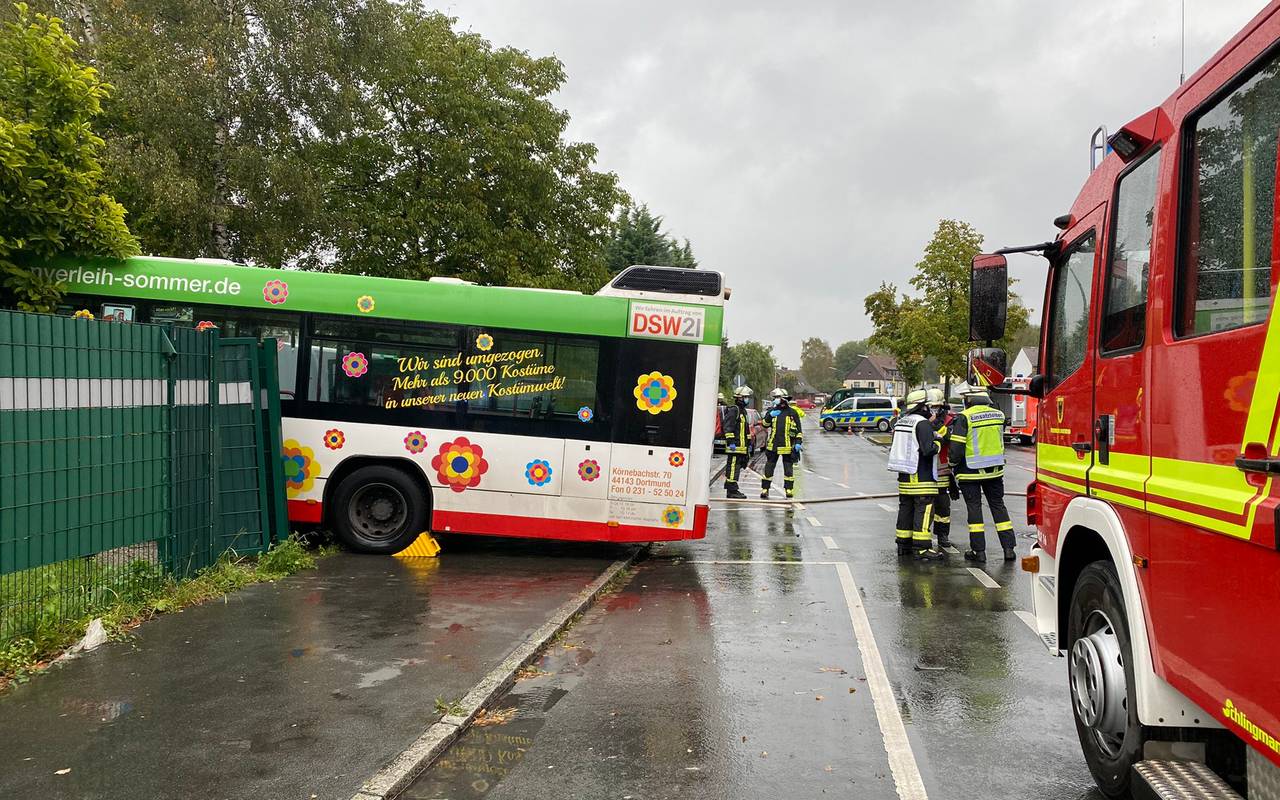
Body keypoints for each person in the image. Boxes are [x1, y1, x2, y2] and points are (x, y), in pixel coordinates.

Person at [949, 388, 1015, 562]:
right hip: (995, 471)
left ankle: (979, 552)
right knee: (998, 507)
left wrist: (951, 464)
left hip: (970, 472)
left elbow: (956, 449)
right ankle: (1009, 550)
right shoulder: (999, 415)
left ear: (969, 401)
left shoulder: (965, 417)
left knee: (975, 510)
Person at [887, 389, 944, 559]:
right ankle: (922, 548)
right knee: (924, 510)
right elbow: (928, 450)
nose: (929, 409)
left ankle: (903, 545)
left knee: (906, 509)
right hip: (921, 477)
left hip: (904, 476)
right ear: (922, 406)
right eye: (927, 406)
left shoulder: (902, 422)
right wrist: (938, 443)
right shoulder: (922, 423)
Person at [926, 388, 956, 549]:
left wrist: (938, 427)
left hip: (942, 469)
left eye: (936, 407)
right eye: (931, 407)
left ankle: (942, 535)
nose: (933, 410)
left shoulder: (950, 420)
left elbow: (949, 440)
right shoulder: (920, 419)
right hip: (925, 470)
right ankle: (923, 537)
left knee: (943, 506)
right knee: (924, 506)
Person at [761, 387, 802, 499]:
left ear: (782, 399)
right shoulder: (772, 411)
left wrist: (798, 443)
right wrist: (770, 416)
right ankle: (765, 489)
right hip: (773, 445)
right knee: (769, 468)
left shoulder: (792, 413)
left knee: (788, 470)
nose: (774, 400)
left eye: (776, 398)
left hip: (788, 446)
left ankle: (788, 489)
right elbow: (764, 425)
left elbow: (799, 431)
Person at [722, 385, 753, 499]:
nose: (747, 399)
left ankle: (732, 488)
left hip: (742, 448)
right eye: (745, 397)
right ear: (739, 398)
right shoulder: (734, 410)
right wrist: (731, 442)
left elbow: (746, 431)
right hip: (734, 447)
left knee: (736, 468)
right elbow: (727, 427)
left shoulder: (742, 411)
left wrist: (748, 445)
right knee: (733, 467)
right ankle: (731, 491)